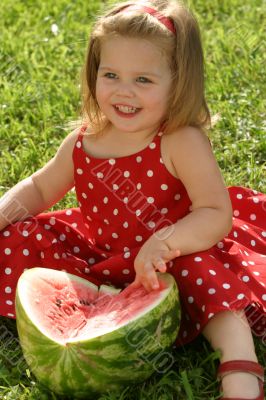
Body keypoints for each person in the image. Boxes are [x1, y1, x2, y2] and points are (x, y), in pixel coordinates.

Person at [0, 1, 265, 398]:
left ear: (179, 82)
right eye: (111, 75)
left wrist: (166, 242)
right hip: (102, 258)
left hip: (175, 257)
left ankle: (240, 364)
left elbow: (215, 213)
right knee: (20, 236)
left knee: (206, 277)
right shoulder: (83, 142)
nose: (123, 91)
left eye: (143, 80)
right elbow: (39, 189)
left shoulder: (180, 141)